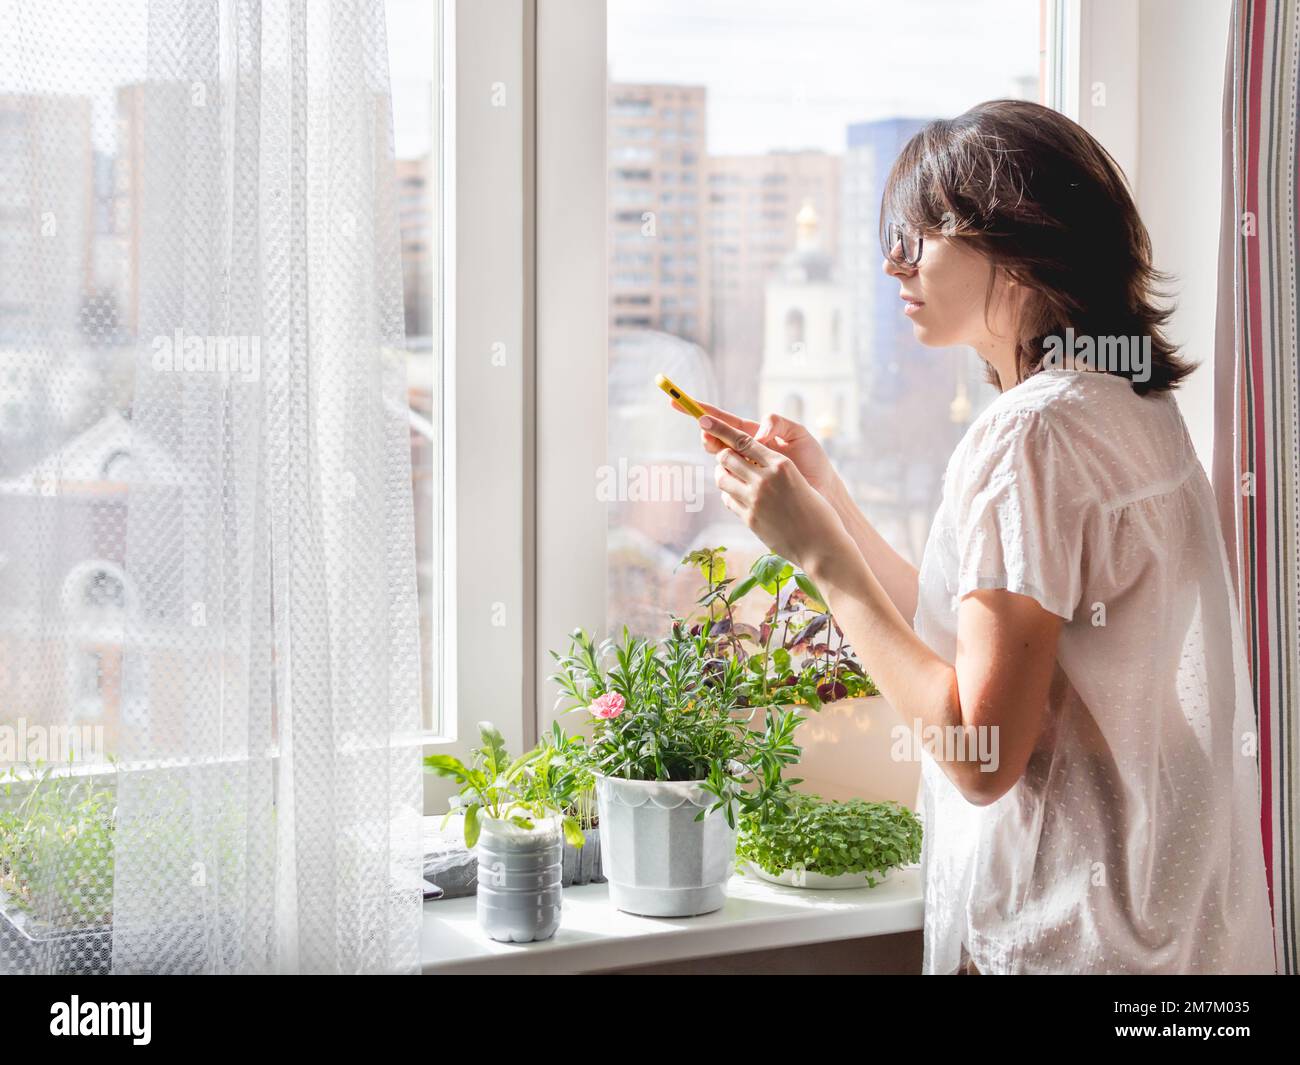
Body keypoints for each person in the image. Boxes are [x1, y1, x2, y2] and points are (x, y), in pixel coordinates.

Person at [679, 99, 1277, 975]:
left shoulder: (1030, 436)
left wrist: (820, 558)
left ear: (1020, 246)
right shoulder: (1126, 406)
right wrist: (830, 498)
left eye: (921, 236)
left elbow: (981, 753)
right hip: (1163, 913)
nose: (894, 264)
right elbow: (992, 640)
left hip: (1071, 927)